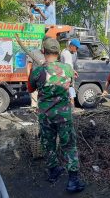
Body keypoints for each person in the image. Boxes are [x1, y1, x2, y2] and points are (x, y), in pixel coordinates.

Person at [27, 37, 85, 193]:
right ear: (58, 52)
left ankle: (53, 171)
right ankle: (73, 181)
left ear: (43, 51)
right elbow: (70, 82)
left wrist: (36, 73)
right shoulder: (67, 68)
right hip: (64, 116)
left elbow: (30, 89)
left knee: (49, 144)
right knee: (69, 146)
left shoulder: (38, 71)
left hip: (45, 116)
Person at [60, 39, 81, 107]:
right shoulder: (67, 54)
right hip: (66, 78)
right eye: (76, 48)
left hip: (68, 78)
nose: (76, 50)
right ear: (72, 46)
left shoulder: (65, 51)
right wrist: (72, 74)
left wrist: (73, 71)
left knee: (71, 93)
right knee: (68, 95)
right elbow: (67, 67)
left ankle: (72, 107)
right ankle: (70, 108)